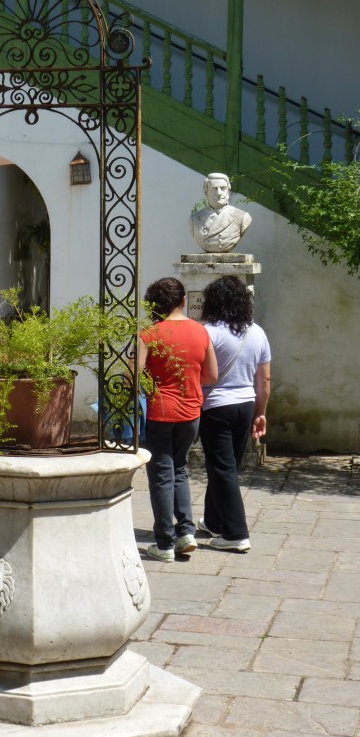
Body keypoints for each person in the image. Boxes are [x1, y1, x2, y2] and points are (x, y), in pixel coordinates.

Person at [139, 277, 218, 563]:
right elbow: (211, 375)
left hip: (159, 412)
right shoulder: (201, 332)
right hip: (191, 411)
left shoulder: (149, 334)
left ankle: (164, 542)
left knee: (161, 475)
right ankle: (186, 532)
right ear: (183, 300)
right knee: (180, 469)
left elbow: (132, 375)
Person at [198, 275, 271, 552]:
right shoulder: (258, 333)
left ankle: (236, 533)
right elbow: (263, 381)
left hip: (216, 406)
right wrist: (260, 413)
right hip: (246, 406)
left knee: (222, 467)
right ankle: (215, 522)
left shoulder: (209, 332)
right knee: (226, 467)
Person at [189, 173, 252, 253]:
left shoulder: (243, 217)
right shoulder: (194, 220)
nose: (219, 193)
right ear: (206, 192)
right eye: (214, 189)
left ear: (228, 192)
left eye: (223, 188)